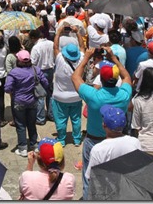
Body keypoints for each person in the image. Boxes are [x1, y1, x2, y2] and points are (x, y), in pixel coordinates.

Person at [71, 45, 133, 200]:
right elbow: (127, 78)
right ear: (116, 79)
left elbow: (75, 78)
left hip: (94, 141)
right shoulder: (124, 94)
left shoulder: (94, 96)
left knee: (89, 179)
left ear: (102, 79)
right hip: (118, 140)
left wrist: (86, 58)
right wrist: (113, 58)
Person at [5, 50, 49, 157]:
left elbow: (7, 88)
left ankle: (23, 148)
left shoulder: (14, 72)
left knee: (20, 125)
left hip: (18, 102)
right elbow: (46, 83)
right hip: (33, 101)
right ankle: (34, 145)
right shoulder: (35, 69)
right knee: (31, 124)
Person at [85, 105, 142, 184]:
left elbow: (91, 177)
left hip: (108, 190)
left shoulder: (98, 149)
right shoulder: (135, 142)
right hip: (128, 188)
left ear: (104, 125)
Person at [51, 43, 82, 147]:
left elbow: (55, 46)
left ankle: (61, 139)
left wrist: (59, 31)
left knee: (61, 120)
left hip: (60, 98)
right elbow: (82, 47)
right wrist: (78, 33)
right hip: (76, 97)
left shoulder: (60, 59)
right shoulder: (81, 61)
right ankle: (77, 139)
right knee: (76, 119)